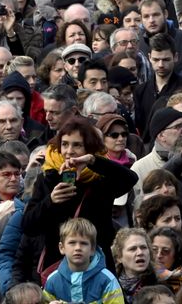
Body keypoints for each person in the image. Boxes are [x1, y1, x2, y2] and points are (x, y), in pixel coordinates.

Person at [14, 116, 138, 282]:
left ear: (89, 147)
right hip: (59, 268)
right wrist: (50, 201)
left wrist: (93, 161)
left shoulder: (100, 179)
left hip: (97, 268)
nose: (69, 151)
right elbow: (28, 225)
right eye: (65, 144)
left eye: (77, 145)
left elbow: (130, 178)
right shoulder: (48, 178)